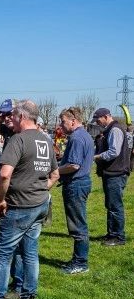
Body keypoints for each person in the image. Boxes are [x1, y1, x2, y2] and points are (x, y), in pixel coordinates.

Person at [0, 100, 59, 299]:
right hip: (40, 204)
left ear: (22, 117)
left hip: (20, 205)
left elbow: (4, 174)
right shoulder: (46, 140)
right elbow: (55, 175)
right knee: (30, 253)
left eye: (13, 116)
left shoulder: (18, 140)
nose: (9, 119)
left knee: (2, 254)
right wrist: (40, 189)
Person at [57, 106, 95, 274]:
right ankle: (79, 259)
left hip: (76, 184)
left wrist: (55, 171)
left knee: (78, 225)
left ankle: (80, 262)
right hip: (82, 182)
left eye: (63, 121)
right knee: (79, 222)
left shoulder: (77, 138)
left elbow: (74, 165)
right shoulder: (84, 135)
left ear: (73, 121)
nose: (61, 125)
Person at [92, 107, 131, 246]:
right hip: (112, 173)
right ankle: (111, 234)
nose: (97, 122)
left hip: (116, 173)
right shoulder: (110, 130)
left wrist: (97, 157)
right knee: (111, 204)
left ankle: (118, 237)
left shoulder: (115, 130)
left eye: (98, 119)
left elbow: (114, 152)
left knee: (115, 205)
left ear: (106, 116)